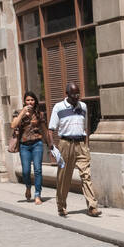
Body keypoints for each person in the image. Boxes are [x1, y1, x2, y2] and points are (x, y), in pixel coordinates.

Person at [48, 83, 100, 217]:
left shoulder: (83, 106)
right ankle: (61, 206)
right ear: (67, 94)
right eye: (74, 94)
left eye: (78, 93)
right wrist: (52, 147)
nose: (77, 96)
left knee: (86, 175)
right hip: (65, 144)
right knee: (64, 177)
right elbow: (51, 129)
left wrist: (86, 144)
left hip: (81, 144)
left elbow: (85, 127)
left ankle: (92, 206)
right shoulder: (59, 107)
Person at [10, 92, 49, 204]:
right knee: (26, 171)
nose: (30, 102)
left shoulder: (39, 114)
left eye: (32, 100)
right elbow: (13, 125)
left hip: (37, 144)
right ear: (24, 101)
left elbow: (44, 129)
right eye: (28, 100)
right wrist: (22, 113)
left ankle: (37, 194)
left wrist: (50, 144)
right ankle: (28, 187)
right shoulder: (18, 113)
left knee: (38, 170)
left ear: (35, 101)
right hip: (24, 145)